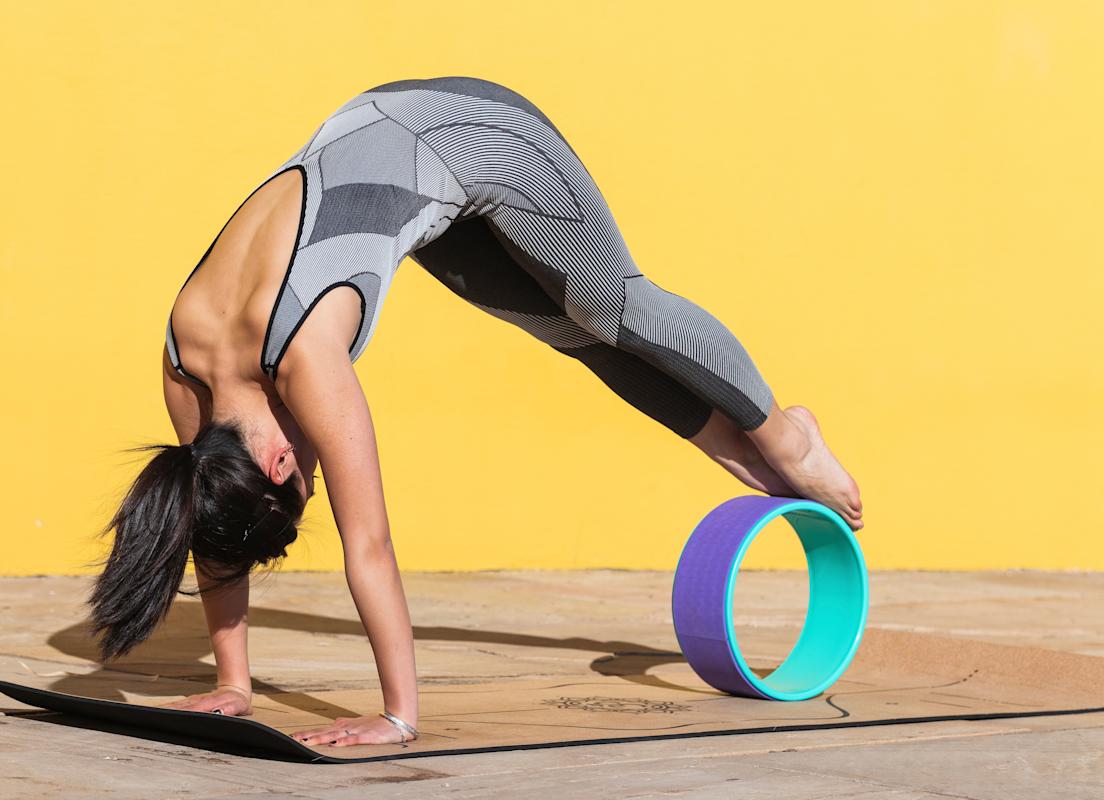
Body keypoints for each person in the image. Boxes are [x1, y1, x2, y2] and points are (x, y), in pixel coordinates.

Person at [89, 76, 862, 748]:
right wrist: (233, 683)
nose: (317, 477)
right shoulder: (187, 358)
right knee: (577, 339)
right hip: (396, 146)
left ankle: (787, 436)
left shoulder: (305, 353)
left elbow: (370, 547)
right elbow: (211, 517)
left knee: (613, 308)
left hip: (477, 131)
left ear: (280, 461)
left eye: (305, 488)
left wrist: (398, 717)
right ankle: (735, 446)